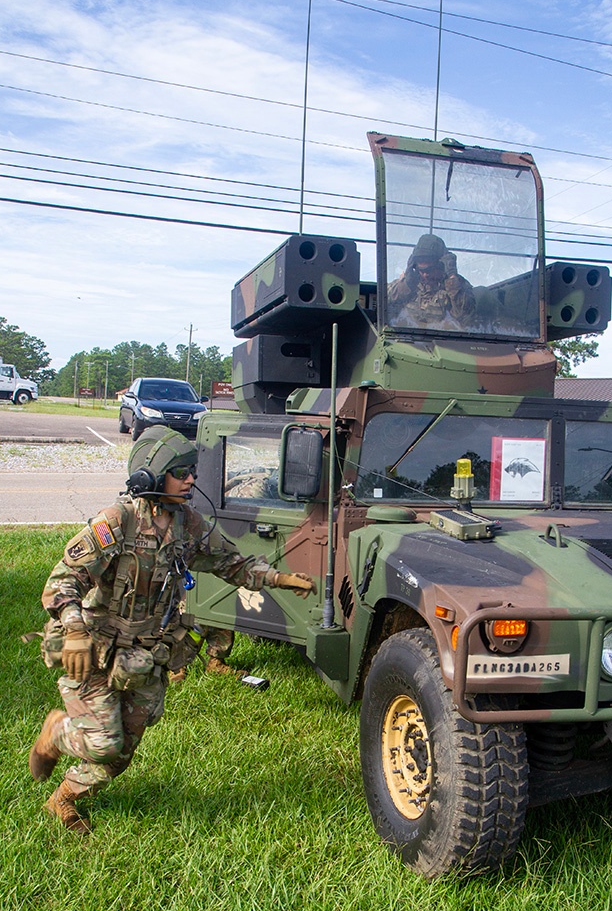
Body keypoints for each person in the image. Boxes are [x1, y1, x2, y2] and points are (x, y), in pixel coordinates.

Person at [28, 425, 317, 834]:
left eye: (192, 471)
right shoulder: (119, 521)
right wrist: (74, 629)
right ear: (151, 475)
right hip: (95, 648)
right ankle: (57, 733)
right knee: (102, 741)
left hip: (144, 655)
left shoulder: (187, 524)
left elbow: (229, 563)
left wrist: (277, 579)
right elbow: (64, 580)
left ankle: (64, 799)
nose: (191, 479)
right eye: (181, 472)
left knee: (122, 751)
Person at [387, 233, 475, 329]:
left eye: (429, 270)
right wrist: (406, 284)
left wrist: (452, 279)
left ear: (441, 266)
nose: (425, 275)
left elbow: (465, 317)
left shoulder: (456, 287)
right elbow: (385, 299)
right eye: (421, 270)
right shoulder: (409, 284)